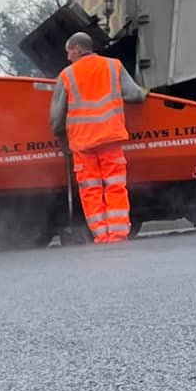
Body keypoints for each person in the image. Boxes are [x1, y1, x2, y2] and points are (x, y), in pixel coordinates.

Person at [49, 31, 146, 243]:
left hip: (83, 144)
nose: (67, 57)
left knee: (90, 190)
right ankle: (118, 235)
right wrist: (142, 92)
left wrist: (62, 140)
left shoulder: (66, 75)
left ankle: (101, 236)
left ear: (77, 49)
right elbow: (135, 95)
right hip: (110, 139)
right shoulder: (114, 66)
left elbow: (56, 118)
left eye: (68, 52)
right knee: (115, 186)